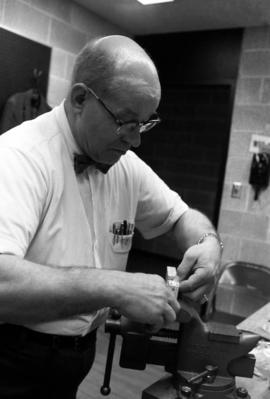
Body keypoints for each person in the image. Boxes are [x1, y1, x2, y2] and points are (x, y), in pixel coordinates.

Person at [0, 35, 223, 399]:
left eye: (145, 124)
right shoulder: (18, 157)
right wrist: (119, 288)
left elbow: (182, 216)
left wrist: (208, 244)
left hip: (74, 357)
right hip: (11, 361)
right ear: (79, 99)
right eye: (126, 122)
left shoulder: (125, 165)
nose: (135, 141)